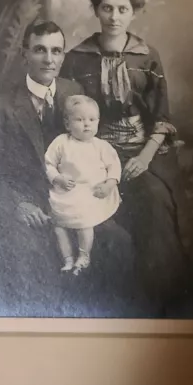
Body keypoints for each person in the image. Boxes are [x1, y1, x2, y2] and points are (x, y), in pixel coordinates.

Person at [0, 19, 133, 317]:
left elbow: (89, 149)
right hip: (26, 200)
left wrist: (102, 184)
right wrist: (20, 204)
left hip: (75, 199)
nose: (49, 59)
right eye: (39, 50)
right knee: (28, 254)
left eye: (56, 51)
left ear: (63, 55)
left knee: (119, 243)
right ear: (25, 53)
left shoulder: (73, 91)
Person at [61, 0, 193, 314]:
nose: (114, 16)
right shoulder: (78, 58)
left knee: (154, 202)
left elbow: (162, 116)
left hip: (141, 152)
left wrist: (145, 158)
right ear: (96, 10)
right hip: (91, 153)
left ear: (133, 12)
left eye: (122, 9)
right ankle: (102, 301)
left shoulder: (148, 56)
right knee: (94, 213)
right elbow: (69, 111)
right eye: (106, 8)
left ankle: (160, 302)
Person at [45, 95, 121, 275]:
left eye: (92, 120)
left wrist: (109, 184)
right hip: (66, 192)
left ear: (98, 122)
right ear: (67, 123)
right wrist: (57, 178)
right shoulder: (61, 142)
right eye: (79, 119)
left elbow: (114, 167)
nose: (86, 124)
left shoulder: (101, 146)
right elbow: (48, 164)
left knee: (84, 222)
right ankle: (67, 259)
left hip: (92, 192)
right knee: (58, 225)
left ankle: (83, 255)